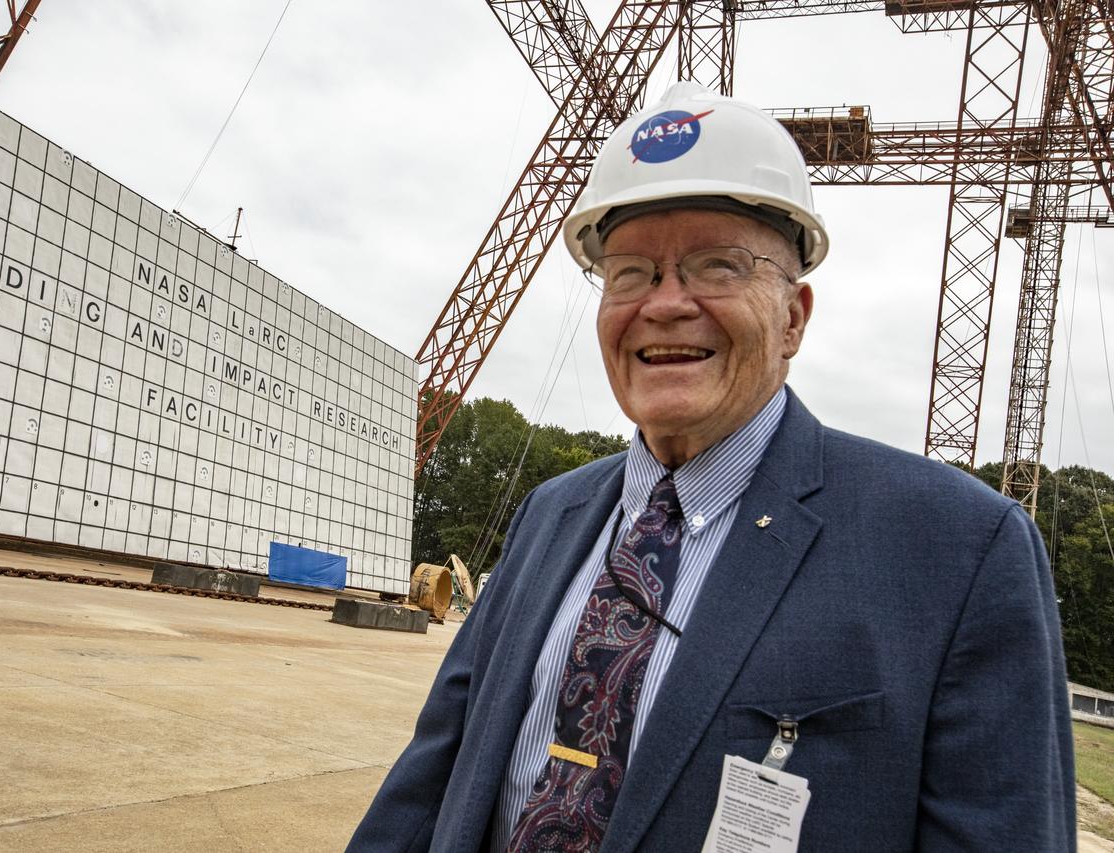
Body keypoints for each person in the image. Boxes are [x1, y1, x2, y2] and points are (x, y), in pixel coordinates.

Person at [349, 83, 1075, 852]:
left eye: (717, 267)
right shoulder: (550, 514)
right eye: (630, 273)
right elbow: (430, 778)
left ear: (793, 316)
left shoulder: (955, 549)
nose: (664, 304)